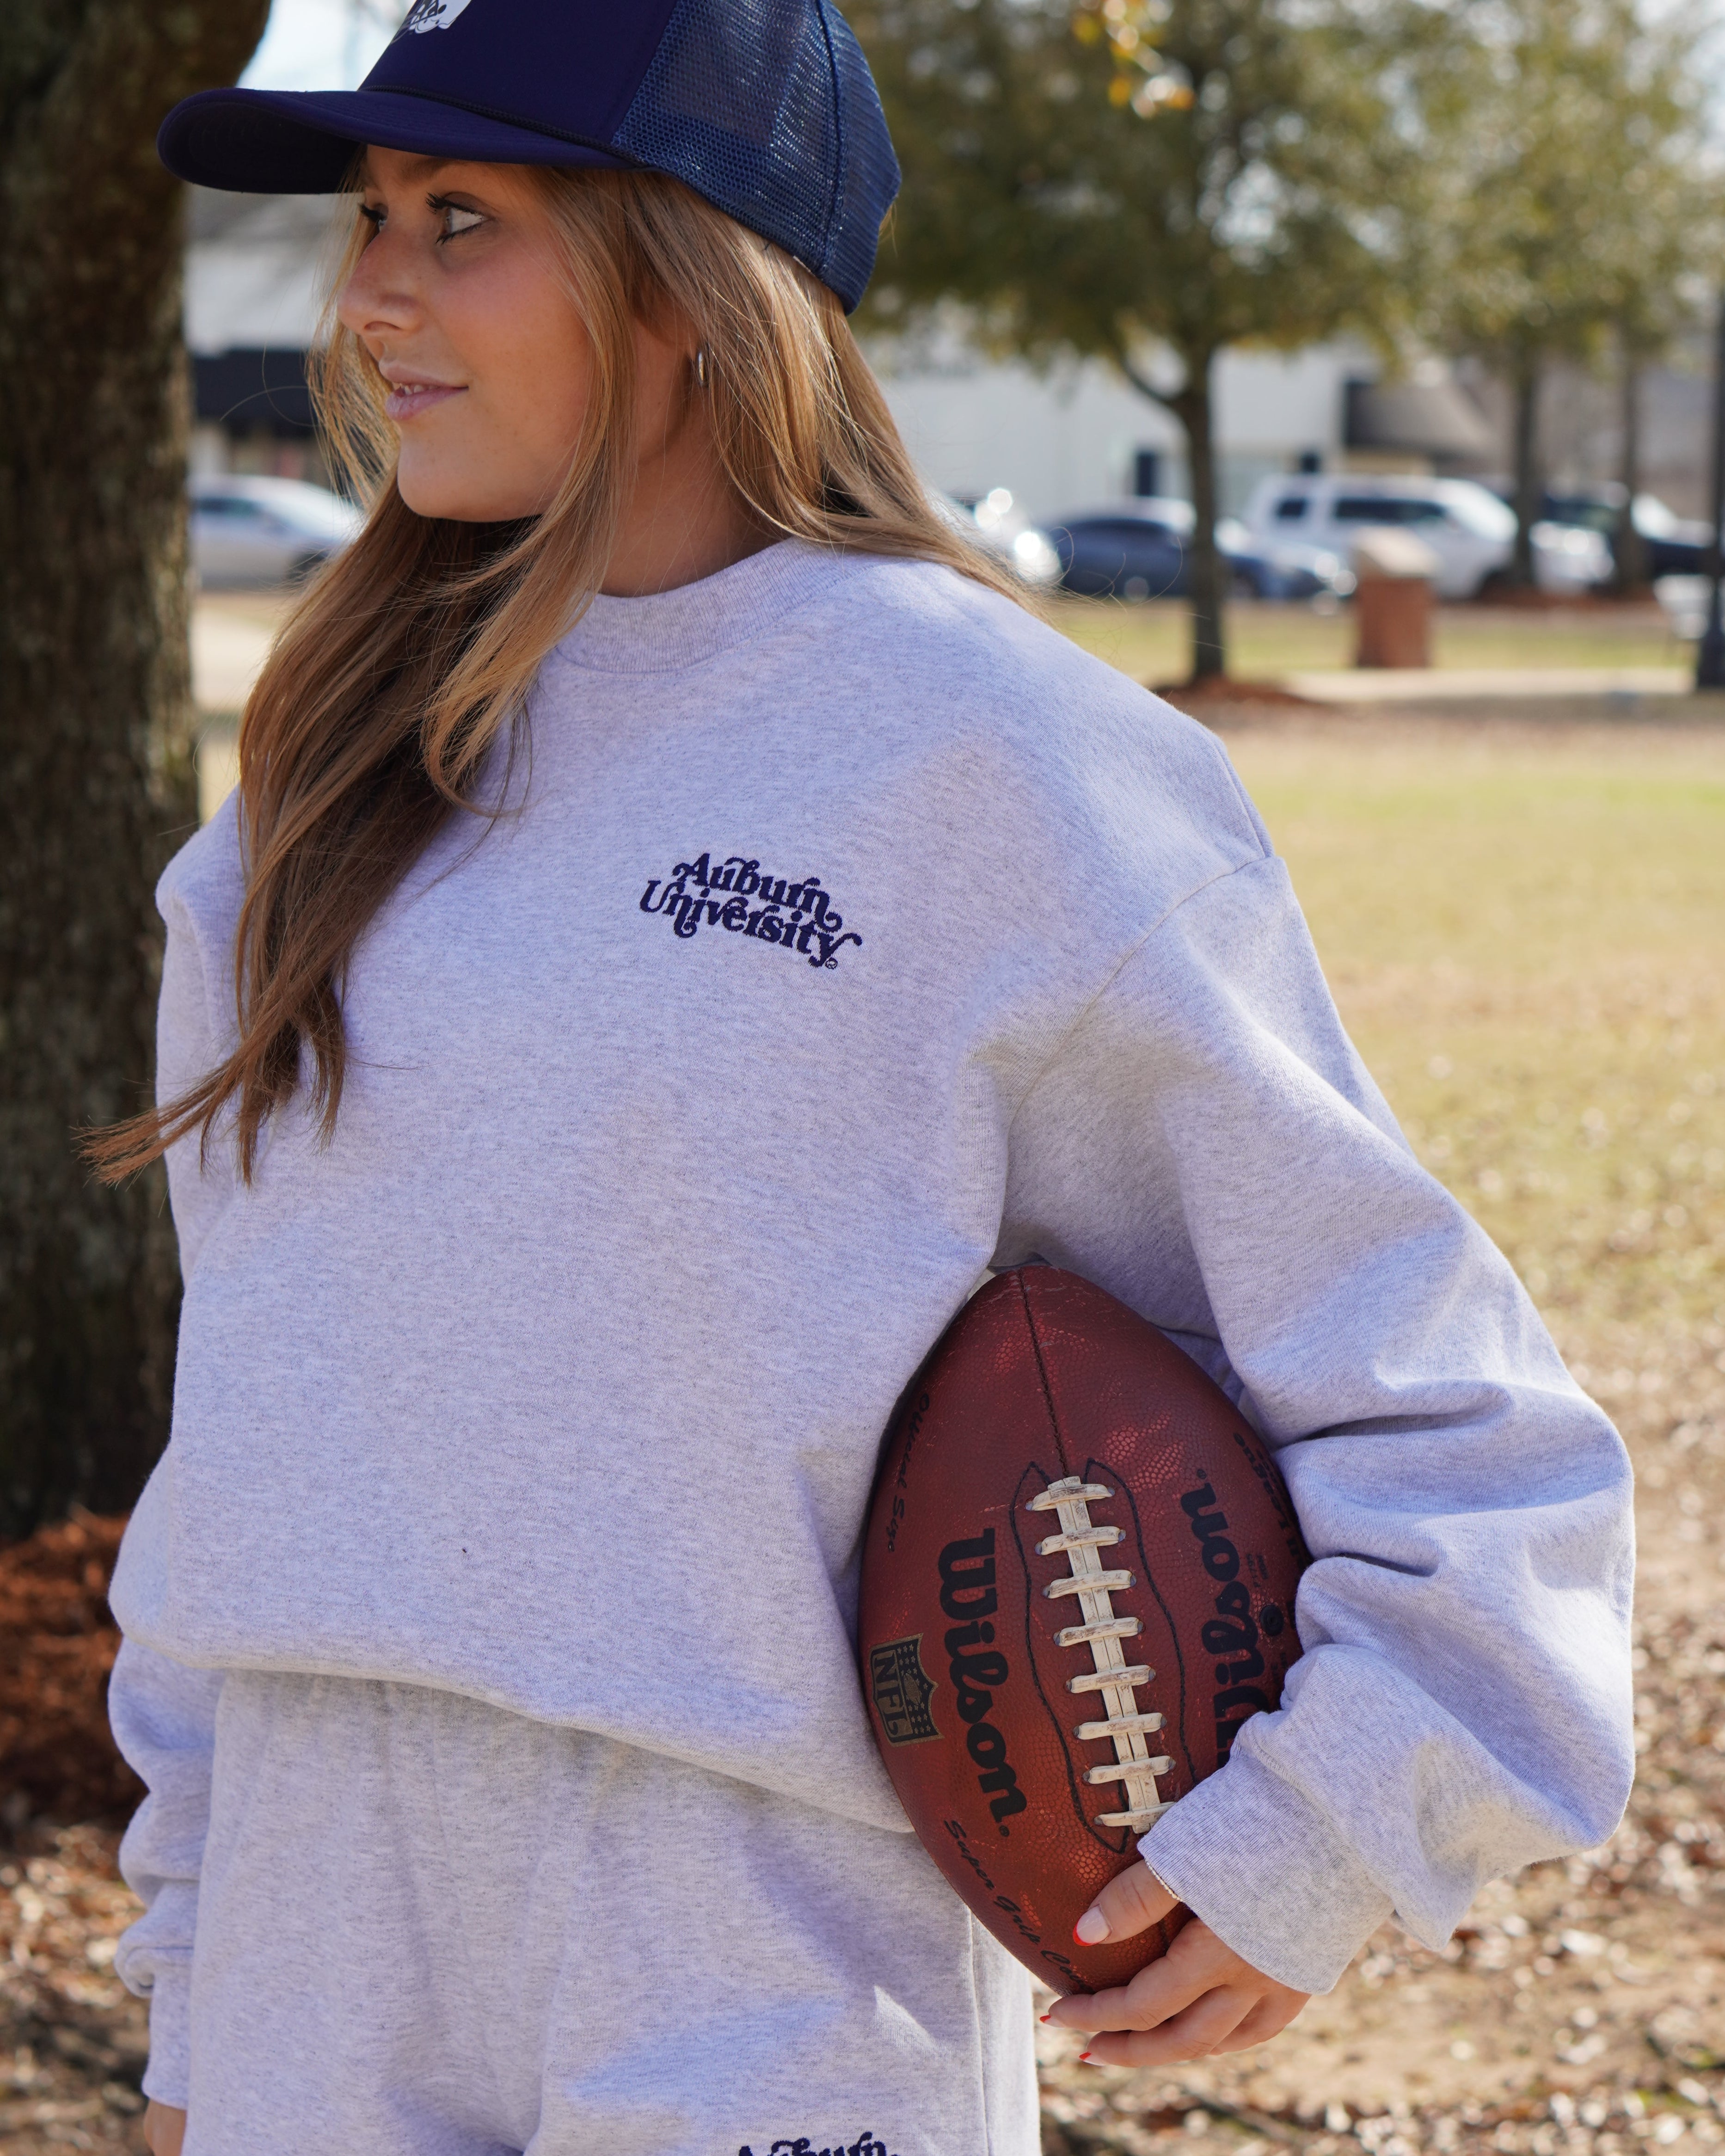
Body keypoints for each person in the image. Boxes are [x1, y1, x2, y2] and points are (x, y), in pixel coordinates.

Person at [97, 4, 1635, 2152]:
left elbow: (1445, 1403)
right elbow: (244, 1426)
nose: (369, 298)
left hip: (757, 1948)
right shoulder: (321, 785)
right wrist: (191, 1965)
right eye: (369, 219)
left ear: (693, 279)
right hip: (313, 1934)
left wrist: (1333, 1821)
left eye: (463, 220)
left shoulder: (996, 765)